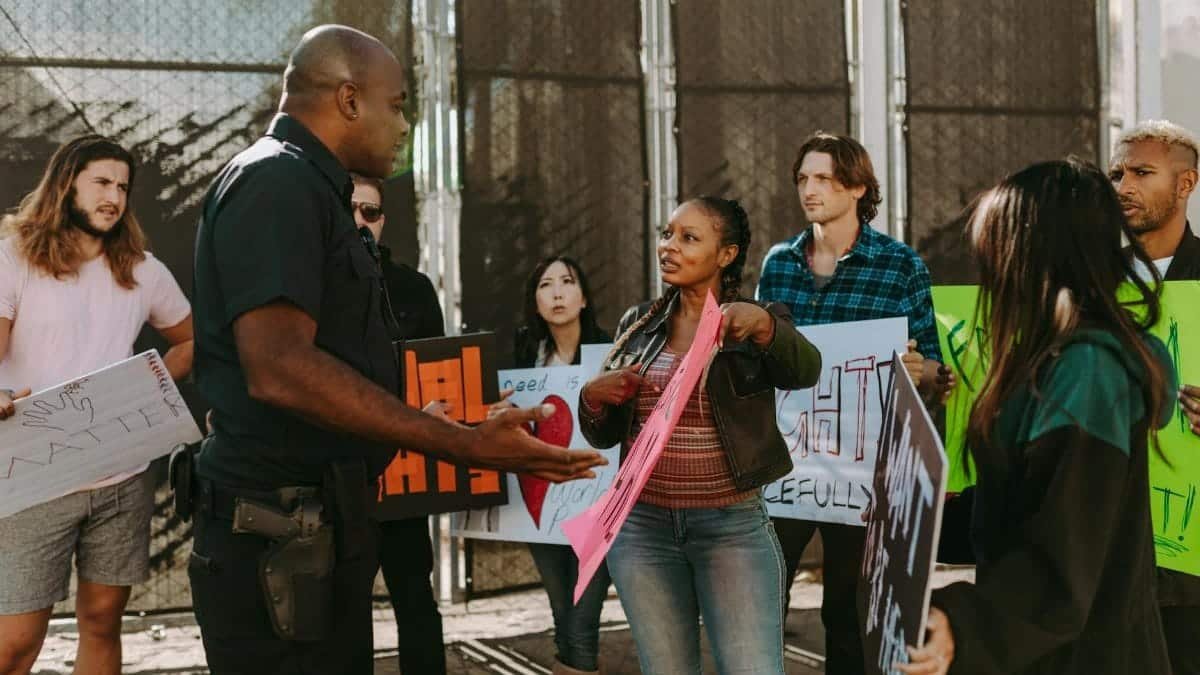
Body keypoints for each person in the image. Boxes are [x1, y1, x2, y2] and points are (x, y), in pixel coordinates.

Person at [188, 24, 605, 673]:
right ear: (349, 99)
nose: (407, 123)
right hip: (277, 540)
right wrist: (458, 444)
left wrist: (425, 424)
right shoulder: (277, 183)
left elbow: (331, 359)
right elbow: (279, 367)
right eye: (400, 103)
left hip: (314, 533)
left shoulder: (313, 190)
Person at [901, 157, 1175, 675]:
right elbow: (1027, 501)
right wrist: (923, 517)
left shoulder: (1088, 371)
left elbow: (1062, 553)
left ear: (1037, 257)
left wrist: (961, 627)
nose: (991, 277)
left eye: (996, 255)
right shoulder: (1056, 358)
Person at [579, 197, 822, 674]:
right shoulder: (639, 326)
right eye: (667, 234)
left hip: (731, 530)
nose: (669, 247)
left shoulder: (753, 320)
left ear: (726, 254)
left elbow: (805, 369)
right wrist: (591, 396)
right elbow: (603, 435)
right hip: (642, 531)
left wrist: (768, 327)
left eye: (689, 238)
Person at [755, 131, 951, 673]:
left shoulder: (900, 265)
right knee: (760, 595)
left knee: (848, 610)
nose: (809, 190)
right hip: (785, 462)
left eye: (824, 179)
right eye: (803, 178)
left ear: (858, 187)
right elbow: (760, 353)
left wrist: (924, 370)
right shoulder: (779, 262)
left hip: (860, 468)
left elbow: (933, 366)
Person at [0, 135, 194, 675]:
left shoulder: (143, 268)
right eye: (102, 183)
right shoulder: (13, 257)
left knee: (104, 621)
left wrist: (146, 387)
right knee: (16, 641)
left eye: (123, 187)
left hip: (121, 475)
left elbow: (191, 340)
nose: (114, 196)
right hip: (32, 473)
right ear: (67, 185)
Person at [1108, 119, 1200, 675]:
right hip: (1108, 541)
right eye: (1117, 173)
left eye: (1142, 172)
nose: (1124, 186)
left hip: (1190, 553)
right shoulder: (1086, 279)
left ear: (1187, 183)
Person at [351, 173, 448, 674]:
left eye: (371, 212)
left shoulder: (412, 287)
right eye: (352, 209)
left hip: (404, 471)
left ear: (384, 220)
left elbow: (441, 373)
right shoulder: (313, 284)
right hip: (343, 473)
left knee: (415, 594)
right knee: (345, 610)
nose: (361, 221)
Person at [514, 255, 612, 675]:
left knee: (583, 615)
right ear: (535, 302)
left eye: (567, 282)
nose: (557, 292)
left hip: (597, 502)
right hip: (543, 502)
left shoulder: (610, 353)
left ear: (584, 297)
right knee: (561, 610)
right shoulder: (524, 358)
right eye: (545, 284)